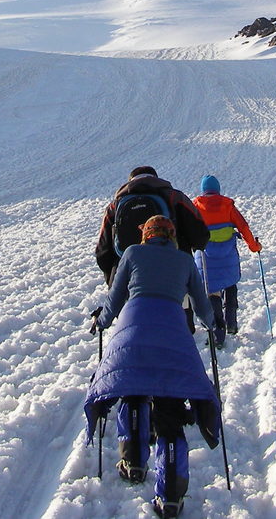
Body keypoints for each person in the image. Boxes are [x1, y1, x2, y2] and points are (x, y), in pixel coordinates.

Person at [85, 216, 221, 519]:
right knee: (170, 413)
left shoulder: (132, 253)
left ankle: (132, 462)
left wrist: (101, 321)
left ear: (145, 235)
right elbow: (201, 306)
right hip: (173, 336)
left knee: (133, 391)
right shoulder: (184, 261)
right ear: (171, 235)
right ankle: (170, 496)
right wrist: (213, 324)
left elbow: (114, 299)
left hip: (132, 333)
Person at [96, 166, 210, 284]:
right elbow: (200, 235)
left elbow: (102, 251)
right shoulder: (175, 197)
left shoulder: (114, 207)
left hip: (128, 275)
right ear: (156, 179)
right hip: (173, 271)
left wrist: (112, 277)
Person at [192, 175, 261, 349]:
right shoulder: (228, 206)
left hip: (206, 259)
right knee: (230, 283)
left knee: (212, 291)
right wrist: (254, 246)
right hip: (228, 255)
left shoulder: (196, 207)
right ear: (218, 189)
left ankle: (217, 334)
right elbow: (243, 226)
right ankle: (232, 321)